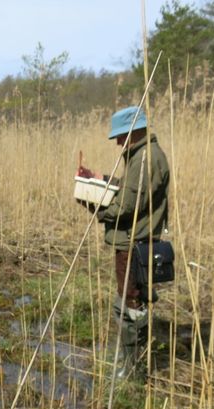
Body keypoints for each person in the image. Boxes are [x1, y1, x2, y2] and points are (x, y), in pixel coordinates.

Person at [77, 106, 170, 377]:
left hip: (133, 243)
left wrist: (91, 203)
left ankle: (133, 370)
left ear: (134, 131)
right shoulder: (143, 156)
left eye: (121, 136)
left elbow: (126, 206)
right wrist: (99, 180)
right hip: (136, 240)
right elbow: (130, 189)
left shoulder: (144, 159)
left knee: (130, 303)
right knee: (130, 300)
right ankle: (132, 362)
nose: (118, 142)